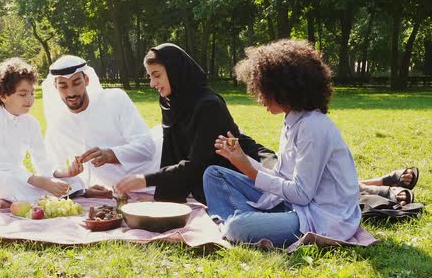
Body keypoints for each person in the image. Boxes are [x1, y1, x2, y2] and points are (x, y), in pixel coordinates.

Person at [203, 39, 361, 247]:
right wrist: (243, 159)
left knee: (237, 228)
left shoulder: (313, 127)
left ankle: (242, 223)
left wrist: (250, 171)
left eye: (263, 90)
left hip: (319, 217)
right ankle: (254, 221)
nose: (259, 99)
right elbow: (281, 177)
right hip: (291, 204)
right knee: (213, 174)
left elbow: (302, 195)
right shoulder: (293, 119)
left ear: (283, 88)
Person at [114, 43, 276, 204]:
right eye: (150, 76)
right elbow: (172, 151)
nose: (152, 83)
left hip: (244, 171)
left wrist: (145, 180)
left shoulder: (209, 105)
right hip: (208, 175)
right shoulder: (170, 103)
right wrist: (166, 199)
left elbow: (198, 162)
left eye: (157, 75)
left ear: (175, 71)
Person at [0, 58, 79, 209]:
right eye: (23, 94)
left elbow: (41, 159)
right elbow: (3, 166)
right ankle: (8, 197)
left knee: (73, 182)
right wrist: (41, 182)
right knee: (6, 182)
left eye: (32, 93)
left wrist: (63, 173)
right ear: (4, 96)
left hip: (18, 177)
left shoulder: (31, 123)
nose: (30, 99)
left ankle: (8, 200)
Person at [42, 55, 160, 197]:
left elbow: (147, 148)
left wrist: (110, 154)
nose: (71, 92)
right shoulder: (58, 123)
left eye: (76, 83)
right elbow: (50, 169)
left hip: (153, 176)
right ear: (55, 86)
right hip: (114, 191)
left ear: (86, 80)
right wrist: (70, 174)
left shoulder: (114, 99)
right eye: (63, 86)